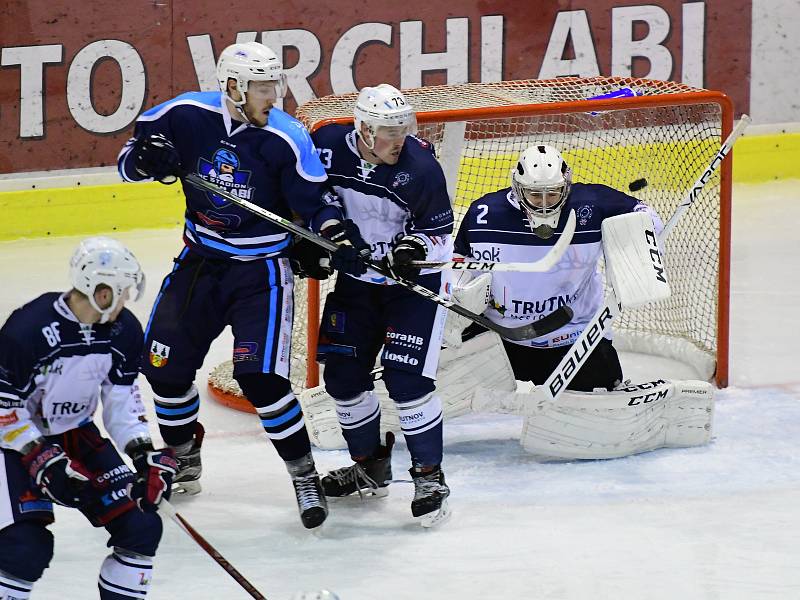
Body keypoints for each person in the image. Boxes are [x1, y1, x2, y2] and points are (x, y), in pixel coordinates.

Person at [117, 41, 369, 529]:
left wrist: (335, 234)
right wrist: (147, 162)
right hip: (200, 262)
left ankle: (303, 474)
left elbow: (317, 203)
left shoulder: (287, 136)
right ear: (232, 86)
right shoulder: (184, 114)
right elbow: (128, 161)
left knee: (262, 380)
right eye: (262, 86)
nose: (273, 95)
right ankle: (184, 454)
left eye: (275, 83)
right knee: (163, 370)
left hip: (262, 272)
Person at [307, 84, 454, 524]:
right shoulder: (328, 146)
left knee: (406, 382)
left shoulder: (421, 168)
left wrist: (411, 250)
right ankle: (370, 467)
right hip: (357, 283)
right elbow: (312, 198)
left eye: (403, 130)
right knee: (343, 380)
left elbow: (440, 235)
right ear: (364, 130)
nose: (399, 140)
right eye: (389, 132)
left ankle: (430, 475)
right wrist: (326, 234)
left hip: (413, 285)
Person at [0, 236, 176, 599]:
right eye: (122, 291)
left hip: (76, 434)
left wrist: (142, 453)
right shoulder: (27, 329)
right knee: (24, 548)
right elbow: (3, 407)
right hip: (14, 442)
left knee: (141, 526)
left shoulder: (123, 330)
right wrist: (39, 455)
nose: (127, 300)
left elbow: (121, 398)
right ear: (102, 290)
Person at [453, 144, 664, 391]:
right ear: (517, 187)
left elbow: (644, 212)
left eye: (552, 194)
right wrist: (460, 291)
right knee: (442, 378)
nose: (544, 204)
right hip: (499, 337)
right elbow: (459, 263)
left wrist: (642, 235)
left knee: (598, 404)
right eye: (534, 195)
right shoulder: (484, 214)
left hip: (573, 338)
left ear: (566, 186)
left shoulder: (593, 205)